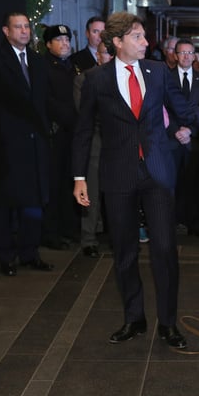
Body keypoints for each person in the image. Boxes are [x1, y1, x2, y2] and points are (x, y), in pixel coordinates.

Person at [72, 12, 199, 348]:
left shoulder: (157, 74)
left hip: (156, 171)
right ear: (118, 41)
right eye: (137, 36)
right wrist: (79, 176)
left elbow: (188, 111)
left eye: (144, 36)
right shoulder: (96, 79)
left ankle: (168, 323)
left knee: (165, 249)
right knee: (124, 251)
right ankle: (133, 319)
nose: (145, 42)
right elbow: (82, 131)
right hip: (118, 174)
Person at [0, 12, 54, 276]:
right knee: (6, 204)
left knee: (33, 203)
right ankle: (6, 256)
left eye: (27, 26)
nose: (25, 31)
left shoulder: (37, 62)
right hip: (6, 145)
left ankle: (30, 253)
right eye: (18, 27)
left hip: (35, 145)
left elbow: (43, 103)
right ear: (6, 31)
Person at [169, 39, 199, 236]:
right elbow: (162, 110)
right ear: (175, 56)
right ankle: (177, 220)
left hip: (196, 140)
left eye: (190, 53)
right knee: (176, 182)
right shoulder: (166, 78)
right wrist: (176, 130)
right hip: (172, 139)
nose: (186, 56)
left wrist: (190, 131)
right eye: (182, 52)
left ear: (195, 56)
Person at [73, 40, 113, 258]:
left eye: (112, 54)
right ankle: (89, 238)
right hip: (96, 140)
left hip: (118, 142)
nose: (109, 57)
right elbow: (84, 112)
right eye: (105, 54)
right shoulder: (84, 78)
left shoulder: (121, 77)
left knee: (118, 192)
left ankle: (117, 235)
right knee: (93, 192)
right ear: (98, 56)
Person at [42, 24, 80, 251]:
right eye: (59, 40)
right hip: (56, 134)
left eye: (67, 40)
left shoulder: (73, 66)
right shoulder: (44, 67)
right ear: (48, 44)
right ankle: (51, 232)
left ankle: (68, 228)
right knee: (54, 185)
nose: (65, 43)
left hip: (73, 134)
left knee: (69, 181)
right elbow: (49, 101)